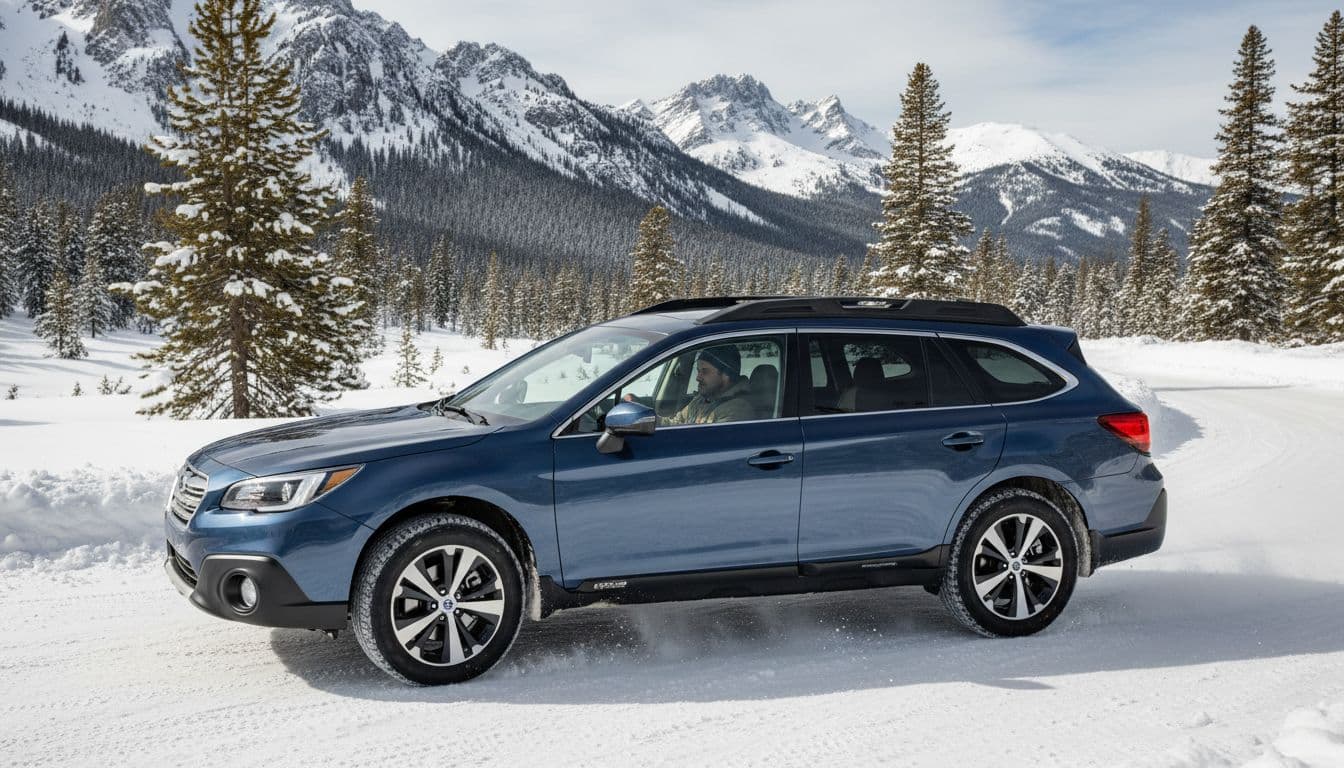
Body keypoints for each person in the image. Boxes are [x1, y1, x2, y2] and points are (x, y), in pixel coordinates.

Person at [660, 344, 755, 425]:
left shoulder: (737, 410)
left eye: (705, 372)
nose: (697, 378)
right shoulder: (701, 400)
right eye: (698, 371)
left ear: (726, 375)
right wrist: (653, 422)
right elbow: (674, 425)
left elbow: (705, 442)